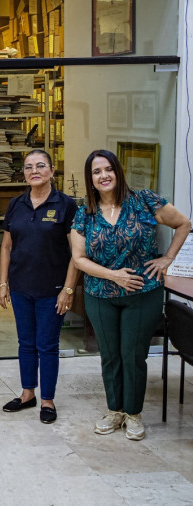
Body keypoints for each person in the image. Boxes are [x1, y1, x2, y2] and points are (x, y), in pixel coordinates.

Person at [71, 150, 190, 440]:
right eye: (97, 172)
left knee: (133, 355)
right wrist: (114, 275)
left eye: (108, 169)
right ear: (91, 179)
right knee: (110, 356)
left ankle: (134, 414)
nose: (104, 176)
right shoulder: (85, 212)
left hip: (144, 292)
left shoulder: (145, 201)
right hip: (100, 293)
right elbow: (79, 258)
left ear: (118, 171)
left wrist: (167, 259)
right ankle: (115, 411)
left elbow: (183, 224)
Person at [0, 149, 79, 423]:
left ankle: (48, 400)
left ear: (52, 171)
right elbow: (6, 246)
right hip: (21, 287)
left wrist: (68, 289)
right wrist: (3, 282)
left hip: (52, 290)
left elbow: (76, 254)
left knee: (47, 345)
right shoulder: (16, 204)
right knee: (25, 343)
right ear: (24, 173)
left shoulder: (66, 205)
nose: (34, 170)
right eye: (29, 167)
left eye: (41, 165)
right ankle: (27, 394)